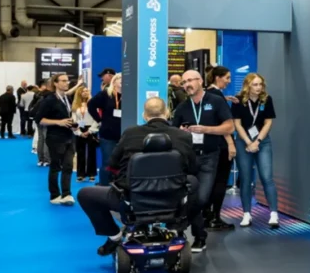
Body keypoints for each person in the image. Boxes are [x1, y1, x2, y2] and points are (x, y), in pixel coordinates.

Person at [78, 97, 199, 256]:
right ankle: (179, 225)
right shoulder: (183, 136)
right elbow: (192, 168)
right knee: (194, 182)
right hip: (171, 198)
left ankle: (114, 236)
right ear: (167, 113)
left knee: (85, 194)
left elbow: (112, 164)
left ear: (144, 115)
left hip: (132, 199)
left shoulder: (130, 133)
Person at [173, 70, 234, 252]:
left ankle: (184, 228)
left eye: (190, 80)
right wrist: (181, 133)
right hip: (188, 158)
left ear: (200, 81)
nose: (187, 85)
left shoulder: (216, 101)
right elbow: (174, 131)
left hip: (209, 156)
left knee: (201, 199)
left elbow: (229, 127)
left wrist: (206, 129)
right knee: (185, 198)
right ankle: (199, 237)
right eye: (184, 82)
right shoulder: (182, 107)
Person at [232, 73, 279, 228]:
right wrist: (248, 142)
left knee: (267, 177)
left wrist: (257, 141)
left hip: (262, 141)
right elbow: (237, 124)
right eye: (255, 84)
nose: (258, 87)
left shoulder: (267, 99)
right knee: (245, 178)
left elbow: (268, 123)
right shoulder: (238, 100)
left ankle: (274, 213)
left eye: (260, 84)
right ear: (248, 86)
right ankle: (246, 214)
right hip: (243, 141)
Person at [203, 66, 238, 231]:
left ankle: (207, 216)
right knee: (220, 181)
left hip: (210, 144)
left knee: (211, 181)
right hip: (221, 145)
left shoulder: (208, 94)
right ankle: (214, 216)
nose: (229, 81)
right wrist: (231, 143)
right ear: (218, 77)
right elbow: (224, 124)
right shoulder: (216, 96)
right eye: (227, 78)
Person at [35, 73, 78, 205]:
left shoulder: (67, 98)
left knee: (68, 166)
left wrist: (73, 125)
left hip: (69, 136)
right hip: (55, 137)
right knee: (55, 167)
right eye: (63, 81)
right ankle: (54, 195)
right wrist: (58, 122)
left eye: (67, 81)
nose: (66, 83)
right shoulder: (49, 100)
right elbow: (39, 119)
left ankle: (67, 194)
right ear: (55, 83)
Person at [89, 74, 123, 185]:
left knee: (122, 162)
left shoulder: (131, 95)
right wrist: (99, 120)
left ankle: (119, 185)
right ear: (114, 81)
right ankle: (104, 186)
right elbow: (91, 105)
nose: (122, 81)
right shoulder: (105, 94)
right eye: (119, 79)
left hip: (125, 134)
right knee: (108, 162)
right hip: (108, 134)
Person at [72, 86, 99, 182]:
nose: (85, 92)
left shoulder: (93, 104)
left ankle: (92, 173)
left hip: (91, 128)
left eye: (87, 91)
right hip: (80, 128)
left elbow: (97, 119)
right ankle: (81, 174)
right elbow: (74, 120)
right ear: (79, 93)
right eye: (83, 91)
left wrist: (90, 130)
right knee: (80, 152)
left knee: (92, 152)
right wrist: (79, 132)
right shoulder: (75, 105)